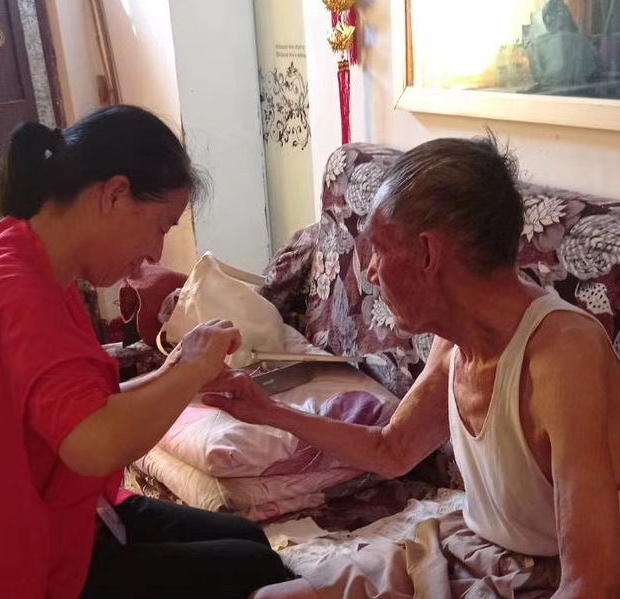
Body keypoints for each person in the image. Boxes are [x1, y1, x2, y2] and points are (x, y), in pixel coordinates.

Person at [0, 105, 289, 599]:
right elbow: (94, 446)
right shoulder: (20, 296)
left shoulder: (8, 258)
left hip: (44, 510)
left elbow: (74, 407)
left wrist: (175, 373)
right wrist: (188, 369)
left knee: (247, 539)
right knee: (253, 565)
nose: (155, 253)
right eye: (161, 226)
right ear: (115, 194)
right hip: (12, 558)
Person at [206, 136, 620, 599]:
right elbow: (392, 451)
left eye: (379, 249)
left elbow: (592, 583)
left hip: (548, 578)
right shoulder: (455, 340)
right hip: (472, 547)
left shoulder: (565, 356)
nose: (370, 273)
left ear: (427, 253)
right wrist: (266, 411)